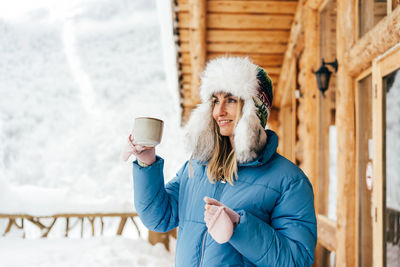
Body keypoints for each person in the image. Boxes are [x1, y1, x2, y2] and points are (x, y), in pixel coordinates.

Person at [123, 57, 317, 266]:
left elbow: (297, 260)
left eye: (231, 100)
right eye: (215, 100)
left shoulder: (289, 180)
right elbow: (159, 218)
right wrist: (147, 163)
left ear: (254, 111)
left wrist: (238, 227)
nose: (219, 111)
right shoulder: (197, 165)